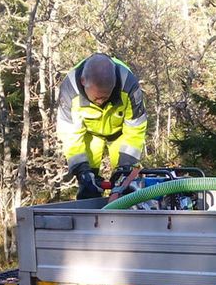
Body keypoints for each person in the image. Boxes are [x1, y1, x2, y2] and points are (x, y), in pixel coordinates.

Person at [56, 53, 148, 199]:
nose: (100, 101)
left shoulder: (129, 85)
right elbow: (70, 134)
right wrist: (82, 171)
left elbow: (135, 128)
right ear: (83, 81)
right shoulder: (69, 90)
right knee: (87, 185)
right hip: (89, 134)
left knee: (125, 183)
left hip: (121, 133)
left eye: (105, 96)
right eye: (97, 97)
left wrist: (125, 167)